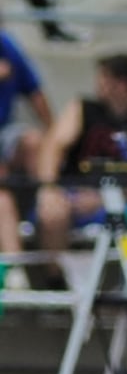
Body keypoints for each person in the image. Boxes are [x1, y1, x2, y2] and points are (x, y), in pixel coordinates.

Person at [34, 52, 127, 288]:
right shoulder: (83, 108)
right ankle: (56, 282)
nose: (98, 84)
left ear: (122, 84)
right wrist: (49, 188)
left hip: (117, 200)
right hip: (74, 191)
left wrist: (100, 200)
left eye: (104, 78)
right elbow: (53, 146)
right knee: (52, 211)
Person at [0, 19, 53, 290]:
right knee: (3, 197)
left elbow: (35, 92)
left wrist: (54, 137)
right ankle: (15, 270)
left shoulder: (7, 46)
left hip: (5, 133)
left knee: (34, 141)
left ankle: (44, 206)